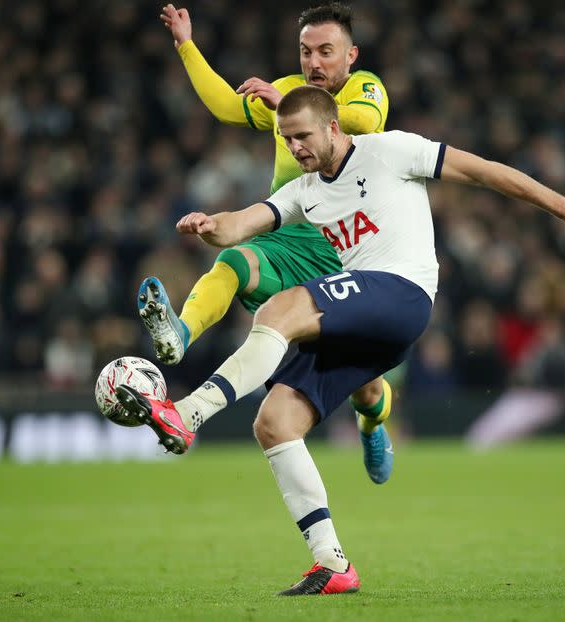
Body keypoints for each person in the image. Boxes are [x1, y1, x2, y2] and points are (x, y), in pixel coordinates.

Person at [117, 86, 565, 595]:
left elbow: (484, 170)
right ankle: (332, 563)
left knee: (280, 309)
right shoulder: (304, 190)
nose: (296, 149)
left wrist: (563, 206)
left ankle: (189, 413)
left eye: (304, 136)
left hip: (403, 292)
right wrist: (210, 226)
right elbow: (242, 224)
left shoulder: (390, 150)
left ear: (333, 126)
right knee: (274, 422)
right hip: (369, 320)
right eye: (288, 139)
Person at [141, 3, 396, 484]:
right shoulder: (286, 90)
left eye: (326, 51)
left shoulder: (368, 89)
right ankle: (179, 333)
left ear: (350, 56)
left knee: (365, 388)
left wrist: (286, 106)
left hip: (349, 249)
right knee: (233, 261)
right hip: (291, 236)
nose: (314, 63)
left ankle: (372, 425)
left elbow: (358, 123)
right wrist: (186, 46)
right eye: (306, 52)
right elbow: (223, 105)